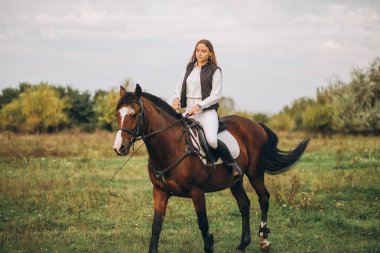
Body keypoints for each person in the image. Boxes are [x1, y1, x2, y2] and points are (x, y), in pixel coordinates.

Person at [172, 39, 243, 178]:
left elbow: (216, 95)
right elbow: (179, 87)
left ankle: (232, 164)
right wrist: (176, 98)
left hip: (206, 112)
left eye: (203, 51)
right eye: (197, 50)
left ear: (210, 53)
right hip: (188, 111)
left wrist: (199, 106)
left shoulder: (215, 70)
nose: (200, 53)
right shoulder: (188, 68)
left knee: (211, 140)